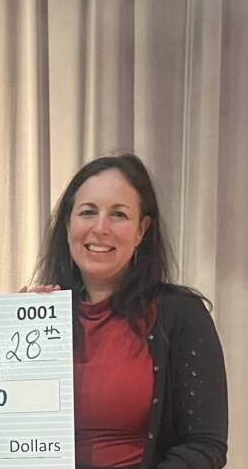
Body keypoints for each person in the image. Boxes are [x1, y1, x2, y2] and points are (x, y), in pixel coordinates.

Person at [25, 154, 227, 469]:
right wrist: (9, 343)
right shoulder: (36, 320)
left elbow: (205, 446)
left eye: (118, 214)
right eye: (88, 212)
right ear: (68, 225)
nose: (100, 227)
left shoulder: (181, 315)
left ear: (141, 231)